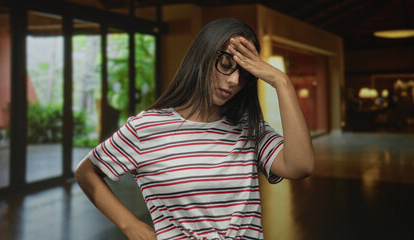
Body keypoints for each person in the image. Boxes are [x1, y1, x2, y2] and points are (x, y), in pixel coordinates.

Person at [75, 18, 315, 240]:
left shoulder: (250, 129)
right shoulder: (146, 128)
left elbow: (301, 166)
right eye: (225, 65)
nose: (234, 81)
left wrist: (281, 82)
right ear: (202, 58)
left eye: (245, 74)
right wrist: (130, 225)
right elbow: (86, 172)